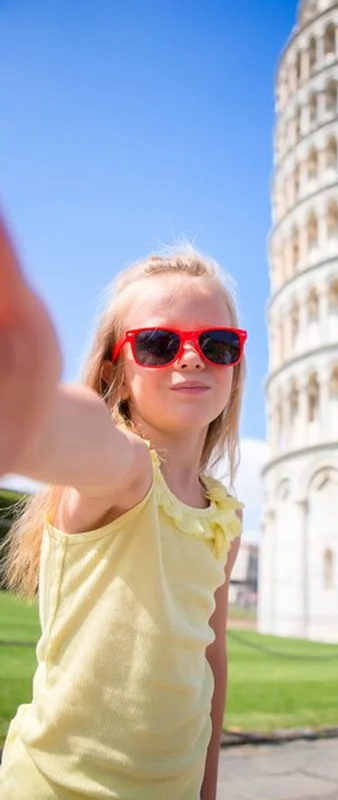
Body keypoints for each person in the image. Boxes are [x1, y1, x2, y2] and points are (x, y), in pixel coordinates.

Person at [0, 217, 247, 800]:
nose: (191, 359)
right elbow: (72, 434)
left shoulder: (226, 516)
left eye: (216, 344)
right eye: (159, 344)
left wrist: (205, 789)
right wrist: (23, 402)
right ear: (116, 368)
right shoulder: (126, 469)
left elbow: (211, 660)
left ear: (235, 366)